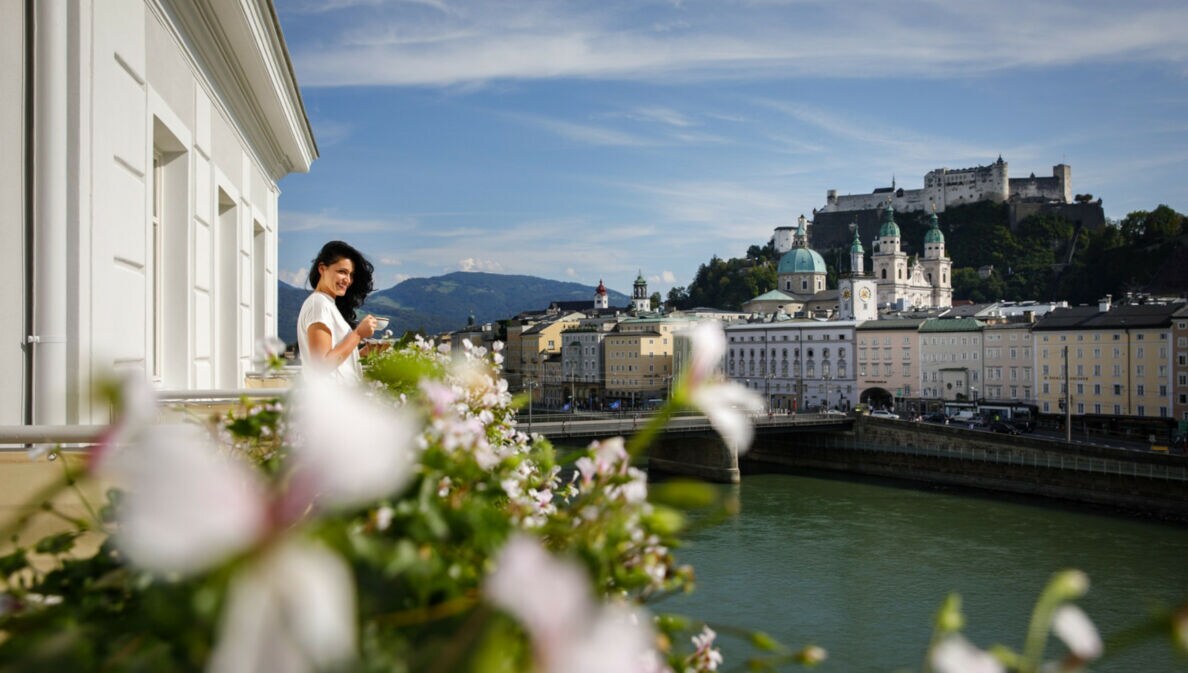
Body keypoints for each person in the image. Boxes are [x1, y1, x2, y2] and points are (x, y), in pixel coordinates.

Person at [297, 241, 378, 382]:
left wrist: (360, 354)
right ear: (322, 269)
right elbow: (321, 366)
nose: (347, 280)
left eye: (351, 275)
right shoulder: (319, 304)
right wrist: (358, 334)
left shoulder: (328, 304)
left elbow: (334, 360)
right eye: (342, 272)